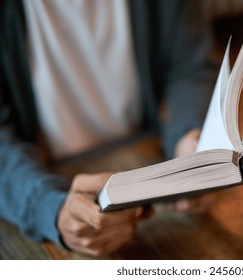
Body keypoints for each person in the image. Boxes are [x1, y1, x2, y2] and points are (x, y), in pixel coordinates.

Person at [0, 0, 218, 256]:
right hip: (37, 181)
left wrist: (187, 135)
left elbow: (189, 65)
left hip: (147, 156)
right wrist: (49, 209)